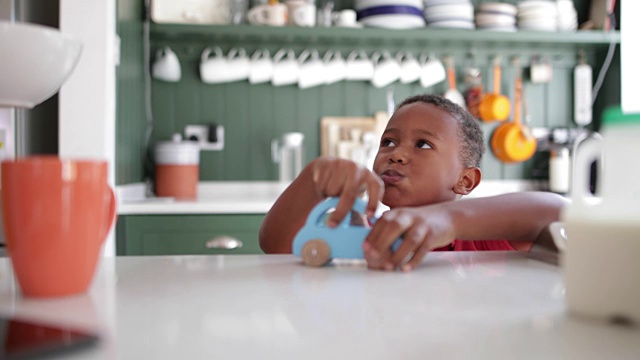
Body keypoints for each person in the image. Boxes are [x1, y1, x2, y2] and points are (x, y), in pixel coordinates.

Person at [259, 94, 566, 271]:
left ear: (466, 180)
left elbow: (559, 211)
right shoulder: (364, 232)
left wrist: (447, 218)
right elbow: (277, 247)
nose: (396, 155)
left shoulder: (489, 238)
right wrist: (311, 179)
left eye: (422, 145)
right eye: (388, 142)